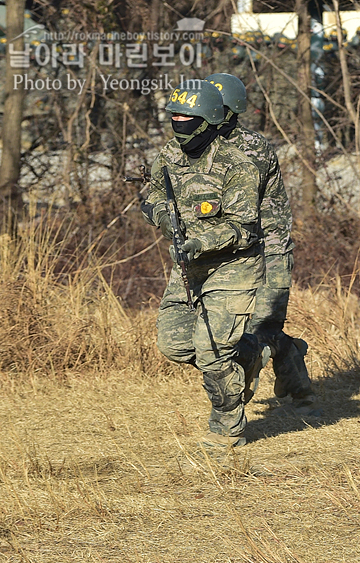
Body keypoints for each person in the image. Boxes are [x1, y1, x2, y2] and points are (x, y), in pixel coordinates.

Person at [141, 79, 269, 449]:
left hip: (233, 268)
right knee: (176, 345)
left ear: (208, 119)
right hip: (188, 271)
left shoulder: (238, 164)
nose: (178, 122)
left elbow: (244, 228)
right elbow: (152, 198)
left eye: (186, 116)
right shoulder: (168, 156)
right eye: (174, 115)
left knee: (212, 353)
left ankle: (227, 427)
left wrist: (199, 241)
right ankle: (248, 354)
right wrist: (165, 217)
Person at [204, 72, 316, 416]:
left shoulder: (250, 148)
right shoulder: (199, 147)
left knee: (257, 330)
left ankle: (233, 410)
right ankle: (292, 357)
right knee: (225, 331)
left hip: (268, 250)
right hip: (225, 250)